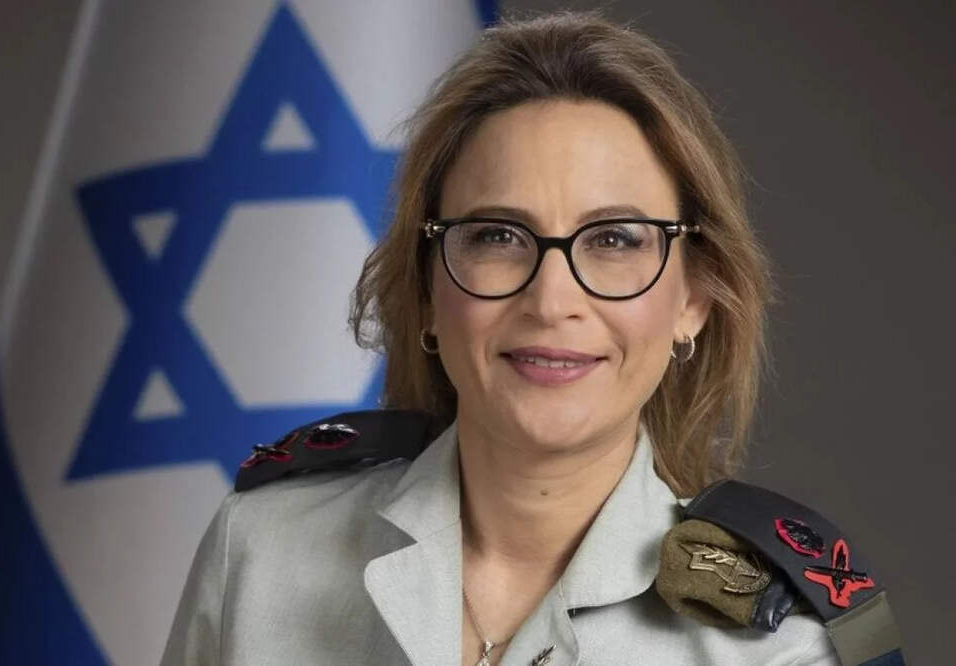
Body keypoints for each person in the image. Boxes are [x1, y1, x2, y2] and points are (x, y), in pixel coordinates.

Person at [162, 11, 885, 665]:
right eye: (498, 236)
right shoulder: (259, 553)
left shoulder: (778, 648)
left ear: (693, 299)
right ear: (427, 290)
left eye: (615, 239)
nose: (551, 301)